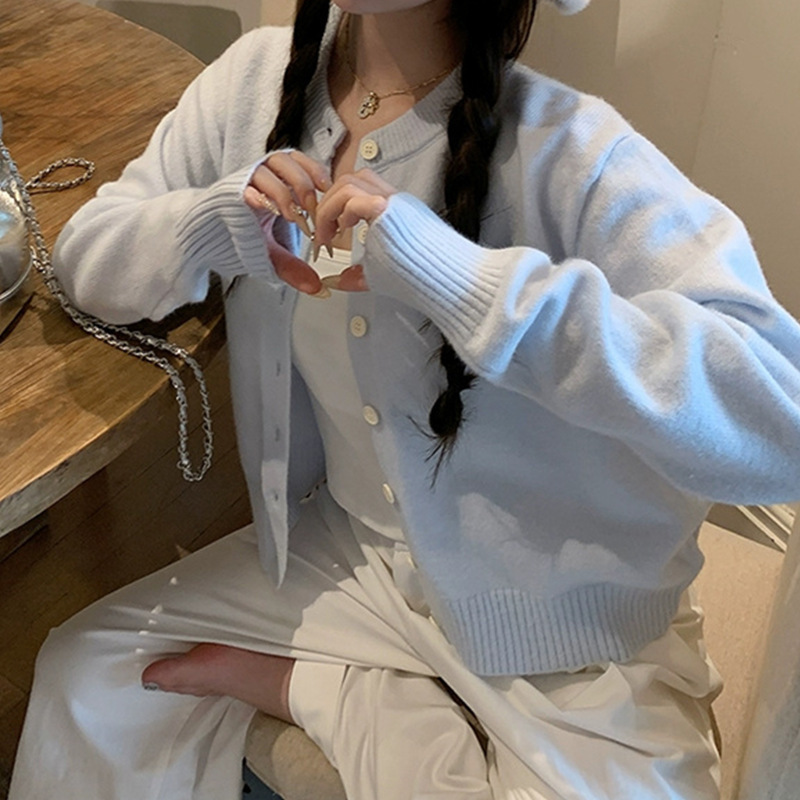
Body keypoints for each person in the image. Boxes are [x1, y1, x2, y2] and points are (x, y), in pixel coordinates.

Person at [10, 0, 800, 797]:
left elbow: (782, 419)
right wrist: (214, 224)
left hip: (565, 629)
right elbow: (85, 260)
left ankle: (335, 695)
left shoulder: (568, 147)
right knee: (90, 681)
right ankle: (363, 696)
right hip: (347, 564)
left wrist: (467, 284)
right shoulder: (253, 84)